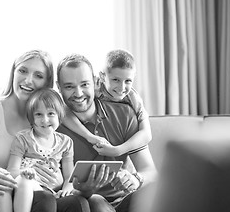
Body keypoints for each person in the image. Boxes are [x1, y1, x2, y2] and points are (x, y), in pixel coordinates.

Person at [0, 50, 87, 212]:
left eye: (38, 76)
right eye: (23, 70)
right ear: (13, 72)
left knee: (77, 203)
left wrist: (57, 181)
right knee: (44, 200)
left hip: (35, 196)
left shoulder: (45, 120)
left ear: (46, 83)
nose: (28, 80)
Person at [56, 54, 157, 212]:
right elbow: (59, 190)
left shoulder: (125, 114)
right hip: (85, 203)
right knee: (96, 202)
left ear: (96, 82)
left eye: (84, 84)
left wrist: (136, 179)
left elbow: (150, 171)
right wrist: (85, 190)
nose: (78, 93)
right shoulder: (52, 126)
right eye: (69, 87)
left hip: (125, 199)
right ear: (58, 87)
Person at [0, 88, 75, 212]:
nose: (45, 120)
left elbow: (69, 175)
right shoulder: (23, 138)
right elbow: (12, 169)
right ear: (31, 118)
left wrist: (66, 188)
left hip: (51, 191)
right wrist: (24, 173)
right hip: (26, 187)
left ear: (59, 115)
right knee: (24, 181)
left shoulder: (66, 142)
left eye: (51, 113)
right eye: (38, 114)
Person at [62, 49, 152, 157]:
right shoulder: (95, 88)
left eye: (128, 81)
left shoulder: (133, 99)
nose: (121, 88)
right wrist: (89, 136)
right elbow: (64, 109)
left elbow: (146, 134)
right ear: (102, 77)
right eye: (115, 80)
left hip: (122, 144)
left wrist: (117, 151)